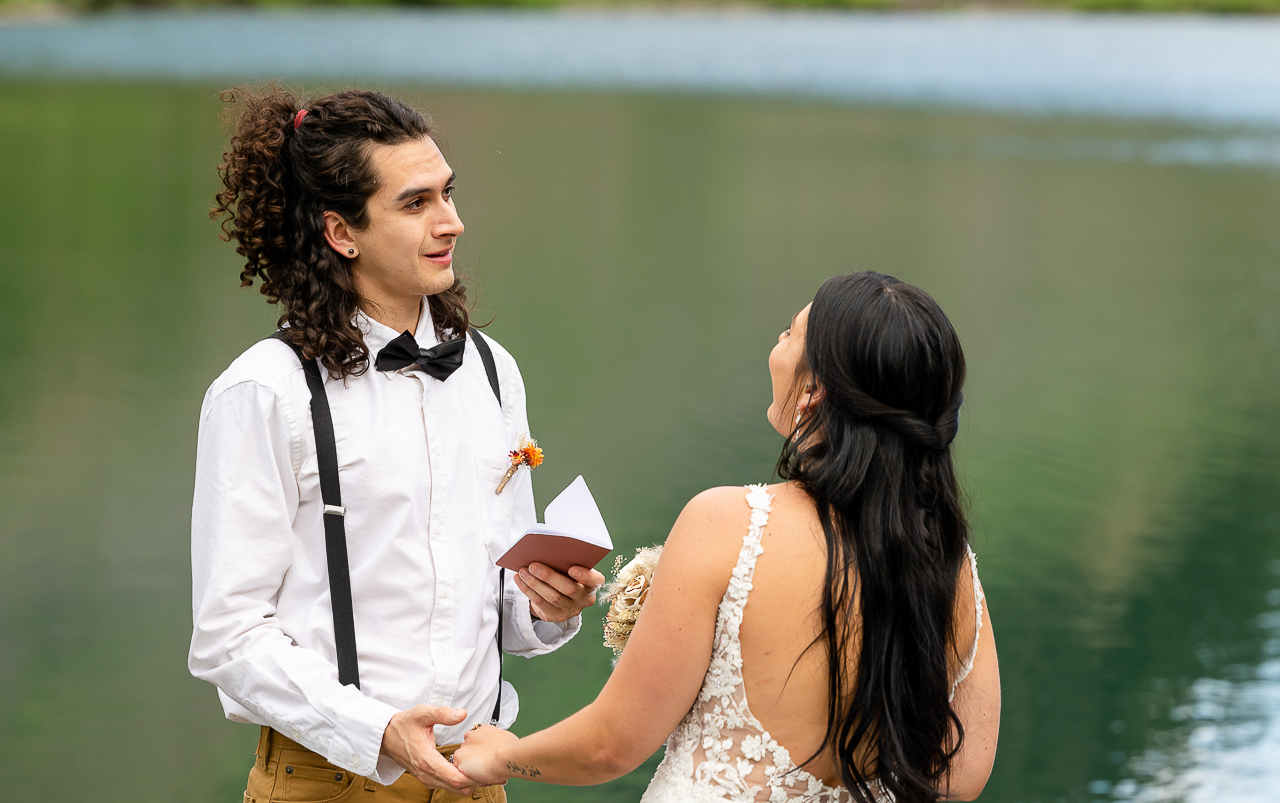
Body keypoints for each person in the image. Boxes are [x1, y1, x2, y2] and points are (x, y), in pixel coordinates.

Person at [188, 85, 604, 803]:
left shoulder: (493, 370)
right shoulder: (266, 390)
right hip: (327, 780)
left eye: (448, 193)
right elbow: (227, 636)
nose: (453, 222)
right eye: (416, 204)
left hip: (476, 776)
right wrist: (376, 726)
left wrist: (547, 606)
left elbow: (500, 600)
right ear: (341, 232)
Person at [452, 271, 1001, 802]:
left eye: (790, 333)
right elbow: (964, 773)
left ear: (813, 392)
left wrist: (501, 756)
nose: (777, 344)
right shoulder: (952, 563)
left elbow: (612, 747)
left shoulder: (729, 524)